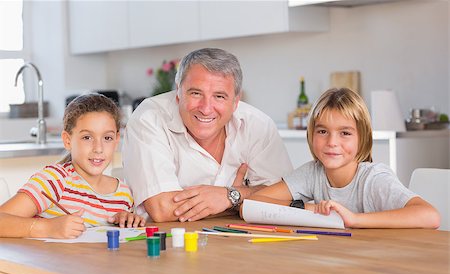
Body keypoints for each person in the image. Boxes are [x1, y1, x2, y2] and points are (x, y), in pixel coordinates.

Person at [123, 48, 293, 222]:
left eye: (219, 96)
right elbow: (163, 209)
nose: (205, 109)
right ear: (178, 93)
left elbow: (288, 196)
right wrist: (238, 202)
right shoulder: (149, 118)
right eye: (196, 93)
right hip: (165, 242)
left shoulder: (258, 125)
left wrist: (228, 196)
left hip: (237, 239)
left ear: (235, 102)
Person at [247, 88, 440, 228]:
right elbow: (254, 203)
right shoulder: (312, 173)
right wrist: (308, 208)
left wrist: (354, 219)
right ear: (311, 135)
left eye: (345, 133)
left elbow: (430, 216)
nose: (332, 142)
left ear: (362, 137)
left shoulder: (373, 179)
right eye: (322, 131)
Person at [0, 94, 145, 239]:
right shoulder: (54, 180)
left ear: (116, 140)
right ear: (67, 140)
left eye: (107, 138)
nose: (98, 148)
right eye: (87, 137)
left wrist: (127, 221)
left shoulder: (124, 195)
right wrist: (47, 228)